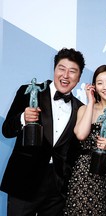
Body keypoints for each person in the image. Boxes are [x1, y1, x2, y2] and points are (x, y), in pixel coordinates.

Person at [1, 48, 85, 215]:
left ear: (79, 77)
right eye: (61, 69)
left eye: (72, 71)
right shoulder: (30, 91)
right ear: (54, 70)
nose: (66, 75)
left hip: (57, 187)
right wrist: (23, 118)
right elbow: (7, 130)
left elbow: (75, 151)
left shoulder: (80, 108)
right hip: (24, 181)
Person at [64, 65, 106, 215]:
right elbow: (81, 135)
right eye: (100, 83)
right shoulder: (84, 109)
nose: (105, 87)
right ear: (94, 87)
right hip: (85, 175)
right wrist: (91, 102)